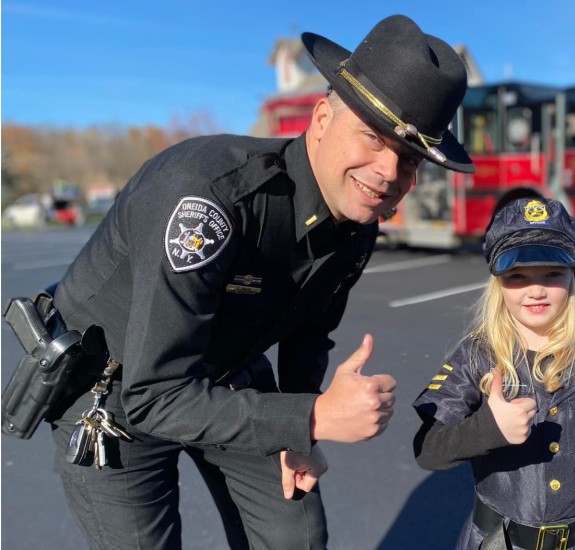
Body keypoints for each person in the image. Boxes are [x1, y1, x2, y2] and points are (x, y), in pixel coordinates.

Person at [44, 14, 473, 550]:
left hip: (225, 377)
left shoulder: (357, 221)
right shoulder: (207, 199)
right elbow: (157, 395)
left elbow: (307, 334)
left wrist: (298, 433)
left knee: (296, 536)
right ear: (321, 118)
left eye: (410, 160)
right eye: (372, 136)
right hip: (118, 394)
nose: (388, 171)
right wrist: (314, 415)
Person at [413, 197, 575, 549]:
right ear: (498, 284)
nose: (536, 290)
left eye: (552, 274)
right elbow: (428, 450)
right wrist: (489, 428)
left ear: (572, 276)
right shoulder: (478, 356)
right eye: (518, 276)